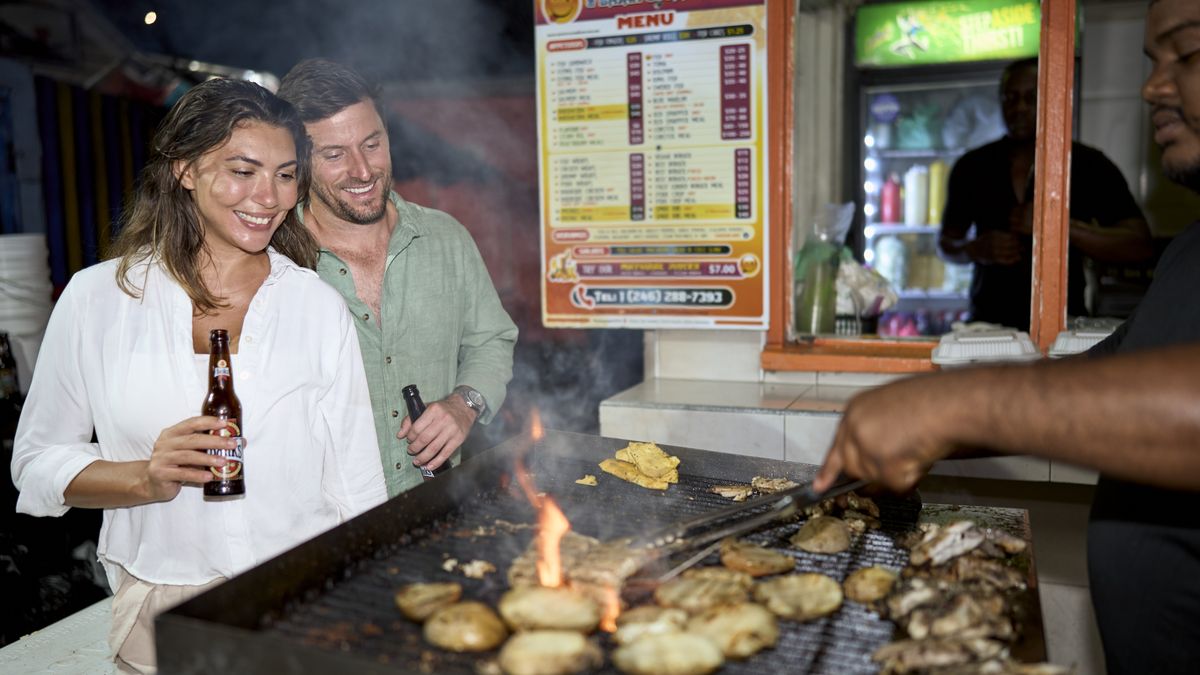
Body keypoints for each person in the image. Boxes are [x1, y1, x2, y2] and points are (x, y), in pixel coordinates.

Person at [817, 3, 1200, 671]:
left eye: (1187, 54)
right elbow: (1114, 366)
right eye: (1151, 62)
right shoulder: (1190, 252)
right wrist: (937, 421)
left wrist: (948, 405)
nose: (1154, 87)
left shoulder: (1092, 166)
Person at [9, 78, 387, 674]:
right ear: (185, 168)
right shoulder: (99, 300)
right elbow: (35, 460)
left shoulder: (315, 307)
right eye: (243, 170)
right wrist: (143, 478)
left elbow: (358, 490)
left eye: (286, 174)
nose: (269, 196)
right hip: (161, 612)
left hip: (298, 602)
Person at [277, 59, 518, 497]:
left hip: (434, 505)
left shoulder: (446, 238)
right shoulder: (273, 261)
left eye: (372, 144)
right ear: (299, 160)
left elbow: (491, 340)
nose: (363, 170)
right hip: (320, 526)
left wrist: (465, 404)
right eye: (334, 155)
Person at [939, 57, 1153, 331]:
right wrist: (975, 248)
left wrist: (1059, 227)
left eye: (1031, 97)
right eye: (1010, 98)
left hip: (1064, 329)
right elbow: (946, 244)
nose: (1019, 108)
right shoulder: (973, 167)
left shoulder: (1087, 164)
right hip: (986, 328)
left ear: (1052, 100)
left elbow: (1139, 245)